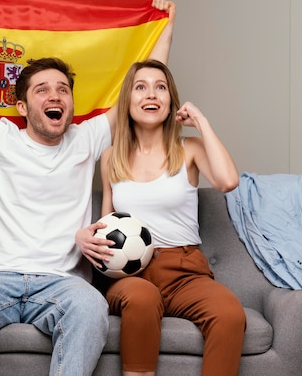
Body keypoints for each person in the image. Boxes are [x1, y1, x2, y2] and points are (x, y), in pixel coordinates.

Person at [0, 0, 175, 375]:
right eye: (42, 90)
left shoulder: (87, 139)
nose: (55, 96)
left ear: (71, 103)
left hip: (62, 282)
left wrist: (164, 26)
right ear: (21, 105)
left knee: (90, 309)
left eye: (63, 90)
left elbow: (138, 90)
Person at [76, 59, 246, 376]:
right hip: (129, 276)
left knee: (230, 314)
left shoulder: (190, 150)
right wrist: (89, 240)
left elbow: (228, 181)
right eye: (140, 87)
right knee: (143, 298)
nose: (151, 94)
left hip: (185, 270)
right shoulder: (110, 157)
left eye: (161, 87)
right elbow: (106, 224)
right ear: (127, 100)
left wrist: (202, 123)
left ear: (170, 103)